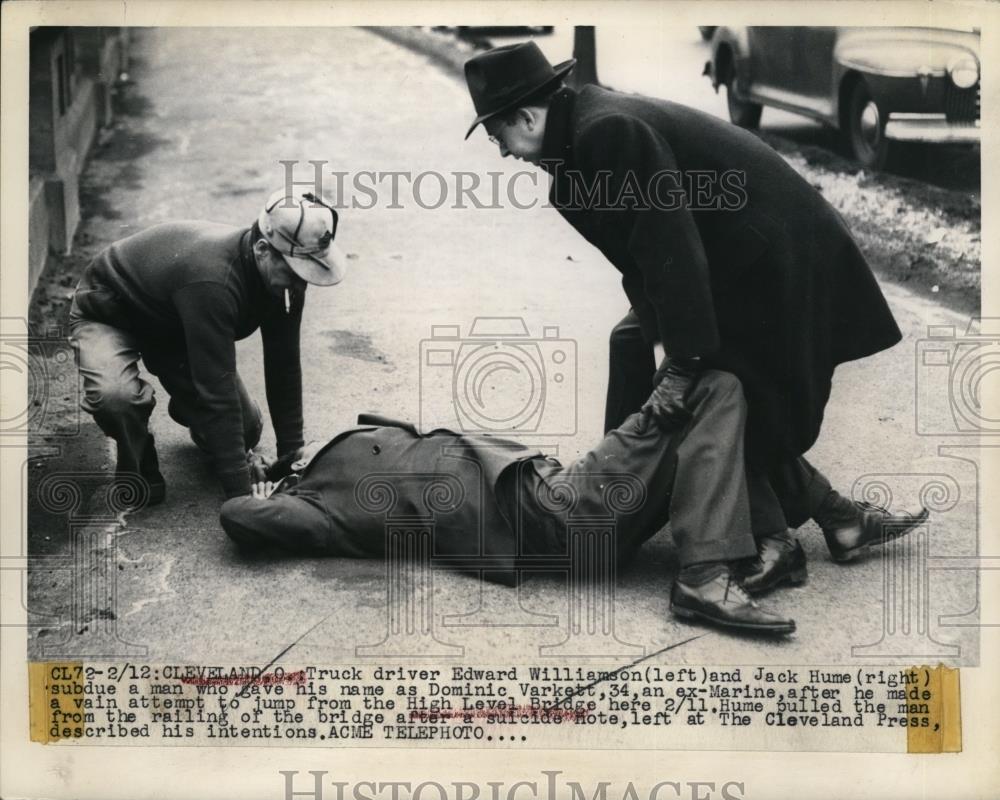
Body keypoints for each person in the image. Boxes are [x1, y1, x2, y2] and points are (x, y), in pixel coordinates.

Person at [461, 42, 927, 592]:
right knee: (636, 345)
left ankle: (775, 541)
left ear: (526, 116)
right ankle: (839, 518)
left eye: (498, 136)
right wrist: (657, 356)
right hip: (731, 265)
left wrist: (681, 364)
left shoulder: (606, 132)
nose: (502, 151)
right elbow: (642, 263)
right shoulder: (574, 157)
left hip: (775, 260)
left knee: (713, 388)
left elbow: (671, 247)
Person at [221, 369, 912, 636]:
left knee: (720, 407)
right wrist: (256, 491)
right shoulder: (318, 508)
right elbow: (239, 517)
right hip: (555, 517)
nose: (284, 464)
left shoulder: (351, 441)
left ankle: (834, 519)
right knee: (714, 385)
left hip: (559, 498)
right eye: (277, 470)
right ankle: (707, 578)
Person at [68, 189, 345, 503]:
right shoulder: (214, 282)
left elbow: (283, 365)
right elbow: (219, 390)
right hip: (109, 309)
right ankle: (138, 451)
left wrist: (290, 462)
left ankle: (189, 404)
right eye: (296, 271)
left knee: (247, 431)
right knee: (117, 398)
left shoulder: (285, 281)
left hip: (173, 328)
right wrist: (240, 495)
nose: (301, 282)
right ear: (263, 249)